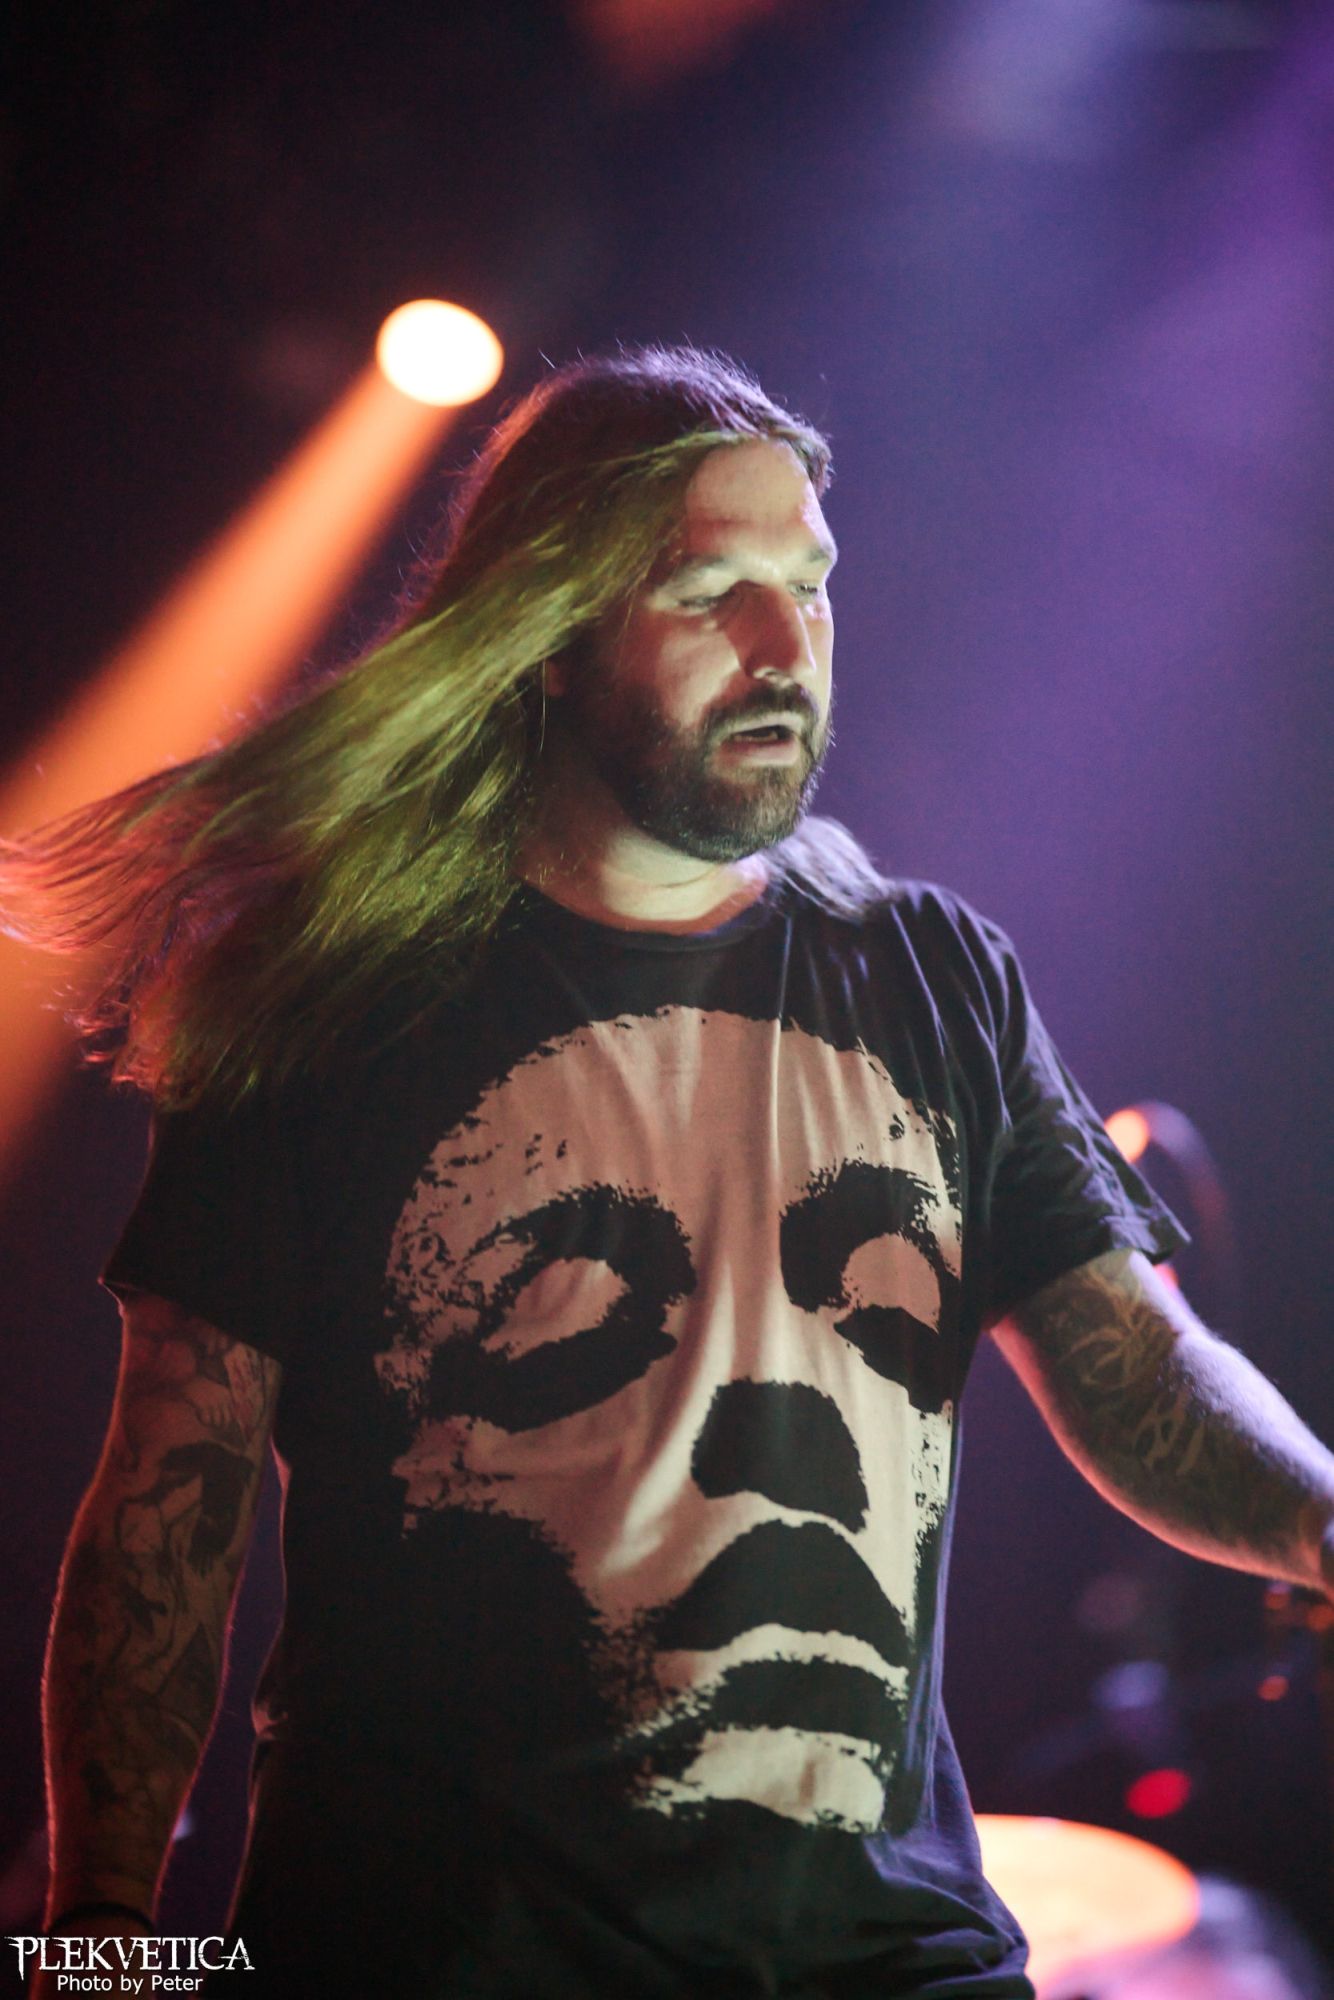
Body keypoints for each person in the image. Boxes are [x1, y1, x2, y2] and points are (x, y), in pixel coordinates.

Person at [6, 346, 1333, 1999]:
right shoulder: (337, 1002)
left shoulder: (932, 978)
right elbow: (167, 1511)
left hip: (890, 1959)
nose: (786, 648)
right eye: (712, 594)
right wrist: (101, 1945)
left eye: (810, 586)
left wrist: (1319, 1520)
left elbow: (1135, 1368)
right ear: (550, 636)